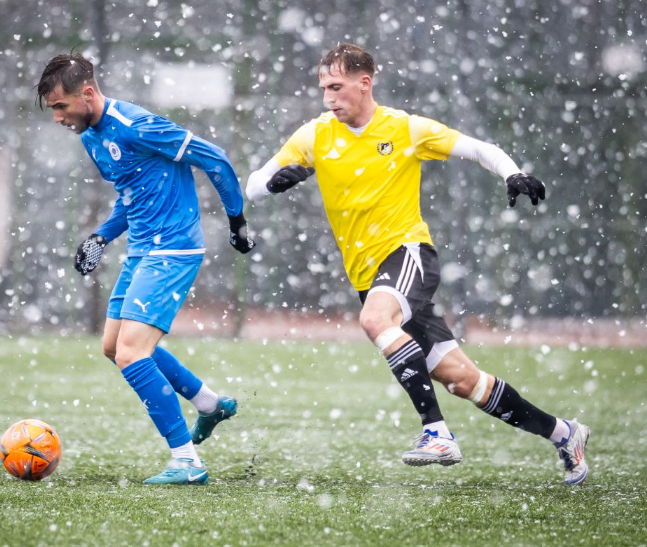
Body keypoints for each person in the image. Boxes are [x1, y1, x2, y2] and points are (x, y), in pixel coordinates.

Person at [247, 43, 590, 485]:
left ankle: (436, 432)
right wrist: (273, 183)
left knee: (374, 319)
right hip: (370, 276)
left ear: (364, 82)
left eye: (336, 87)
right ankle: (564, 433)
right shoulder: (314, 135)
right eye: (323, 89)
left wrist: (513, 173)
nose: (329, 98)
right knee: (464, 382)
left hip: (408, 255)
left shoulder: (404, 128)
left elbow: (480, 148)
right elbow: (253, 183)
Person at [37, 53, 255, 485]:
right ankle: (211, 405)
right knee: (113, 346)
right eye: (53, 110)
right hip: (142, 251)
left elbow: (215, 159)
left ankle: (187, 462)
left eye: (61, 107)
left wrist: (237, 220)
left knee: (132, 352)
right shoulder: (91, 138)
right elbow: (131, 194)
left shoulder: (136, 124)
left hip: (173, 250)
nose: (58, 118)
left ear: (88, 93)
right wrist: (100, 236)